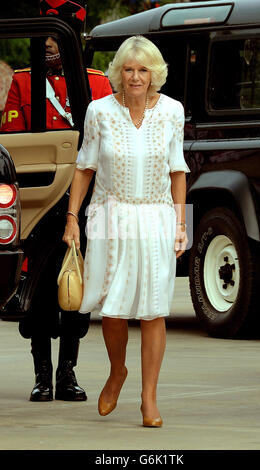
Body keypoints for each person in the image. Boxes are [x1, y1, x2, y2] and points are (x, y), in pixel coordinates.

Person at [63, 35, 190, 426]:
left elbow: (178, 170)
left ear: (155, 73)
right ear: (119, 73)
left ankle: (149, 400)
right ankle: (117, 372)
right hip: (108, 216)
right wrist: (72, 218)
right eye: (129, 69)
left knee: (153, 310)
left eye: (143, 70)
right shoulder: (98, 111)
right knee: (114, 308)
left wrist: (181, 223)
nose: (136, 77)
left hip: (155, 217)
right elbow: (85, 166)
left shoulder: (172, 111)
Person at [1, 1, 112, 402]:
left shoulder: (98, 83)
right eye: (46, 35)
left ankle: (68, 373)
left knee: (76, 290)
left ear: (74, 36)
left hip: (83, 202)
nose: (49, 43)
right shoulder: (24, 81)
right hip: (41, 199)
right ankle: (41, 374)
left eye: (57, 34)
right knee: (42, 288)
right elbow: (13, 145)